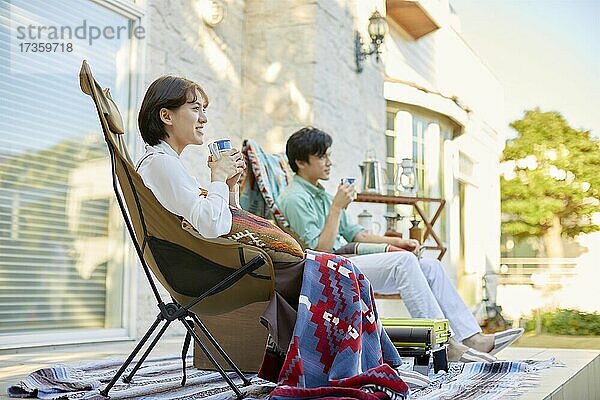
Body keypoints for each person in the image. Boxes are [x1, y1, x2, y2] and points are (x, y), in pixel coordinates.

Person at [134, 76, 419, 390]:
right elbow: (212, 226)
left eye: (204, 110)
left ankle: (354, 362)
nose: (204, 118)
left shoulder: (166, 164)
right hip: (210, 272)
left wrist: (228, 187)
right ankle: (344, 367)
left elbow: (220, 220)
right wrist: (216, 176)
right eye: (195, 109)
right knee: (339, 272)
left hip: (215, 263)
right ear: (166, 115)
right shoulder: (161, 164)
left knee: (340, 271)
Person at [276, 126, 524, 363]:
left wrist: (398, 241)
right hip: (327, 272)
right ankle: (443, 345)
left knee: (430, 267)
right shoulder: (294, 198)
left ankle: (473, 338)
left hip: (348, 262)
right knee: (403, 263)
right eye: (322, 157)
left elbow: (357, 234)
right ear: (301, 162)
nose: (329, 162)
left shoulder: (321, 193)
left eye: (329, 155)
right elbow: (320, 252)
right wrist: (337, 208)